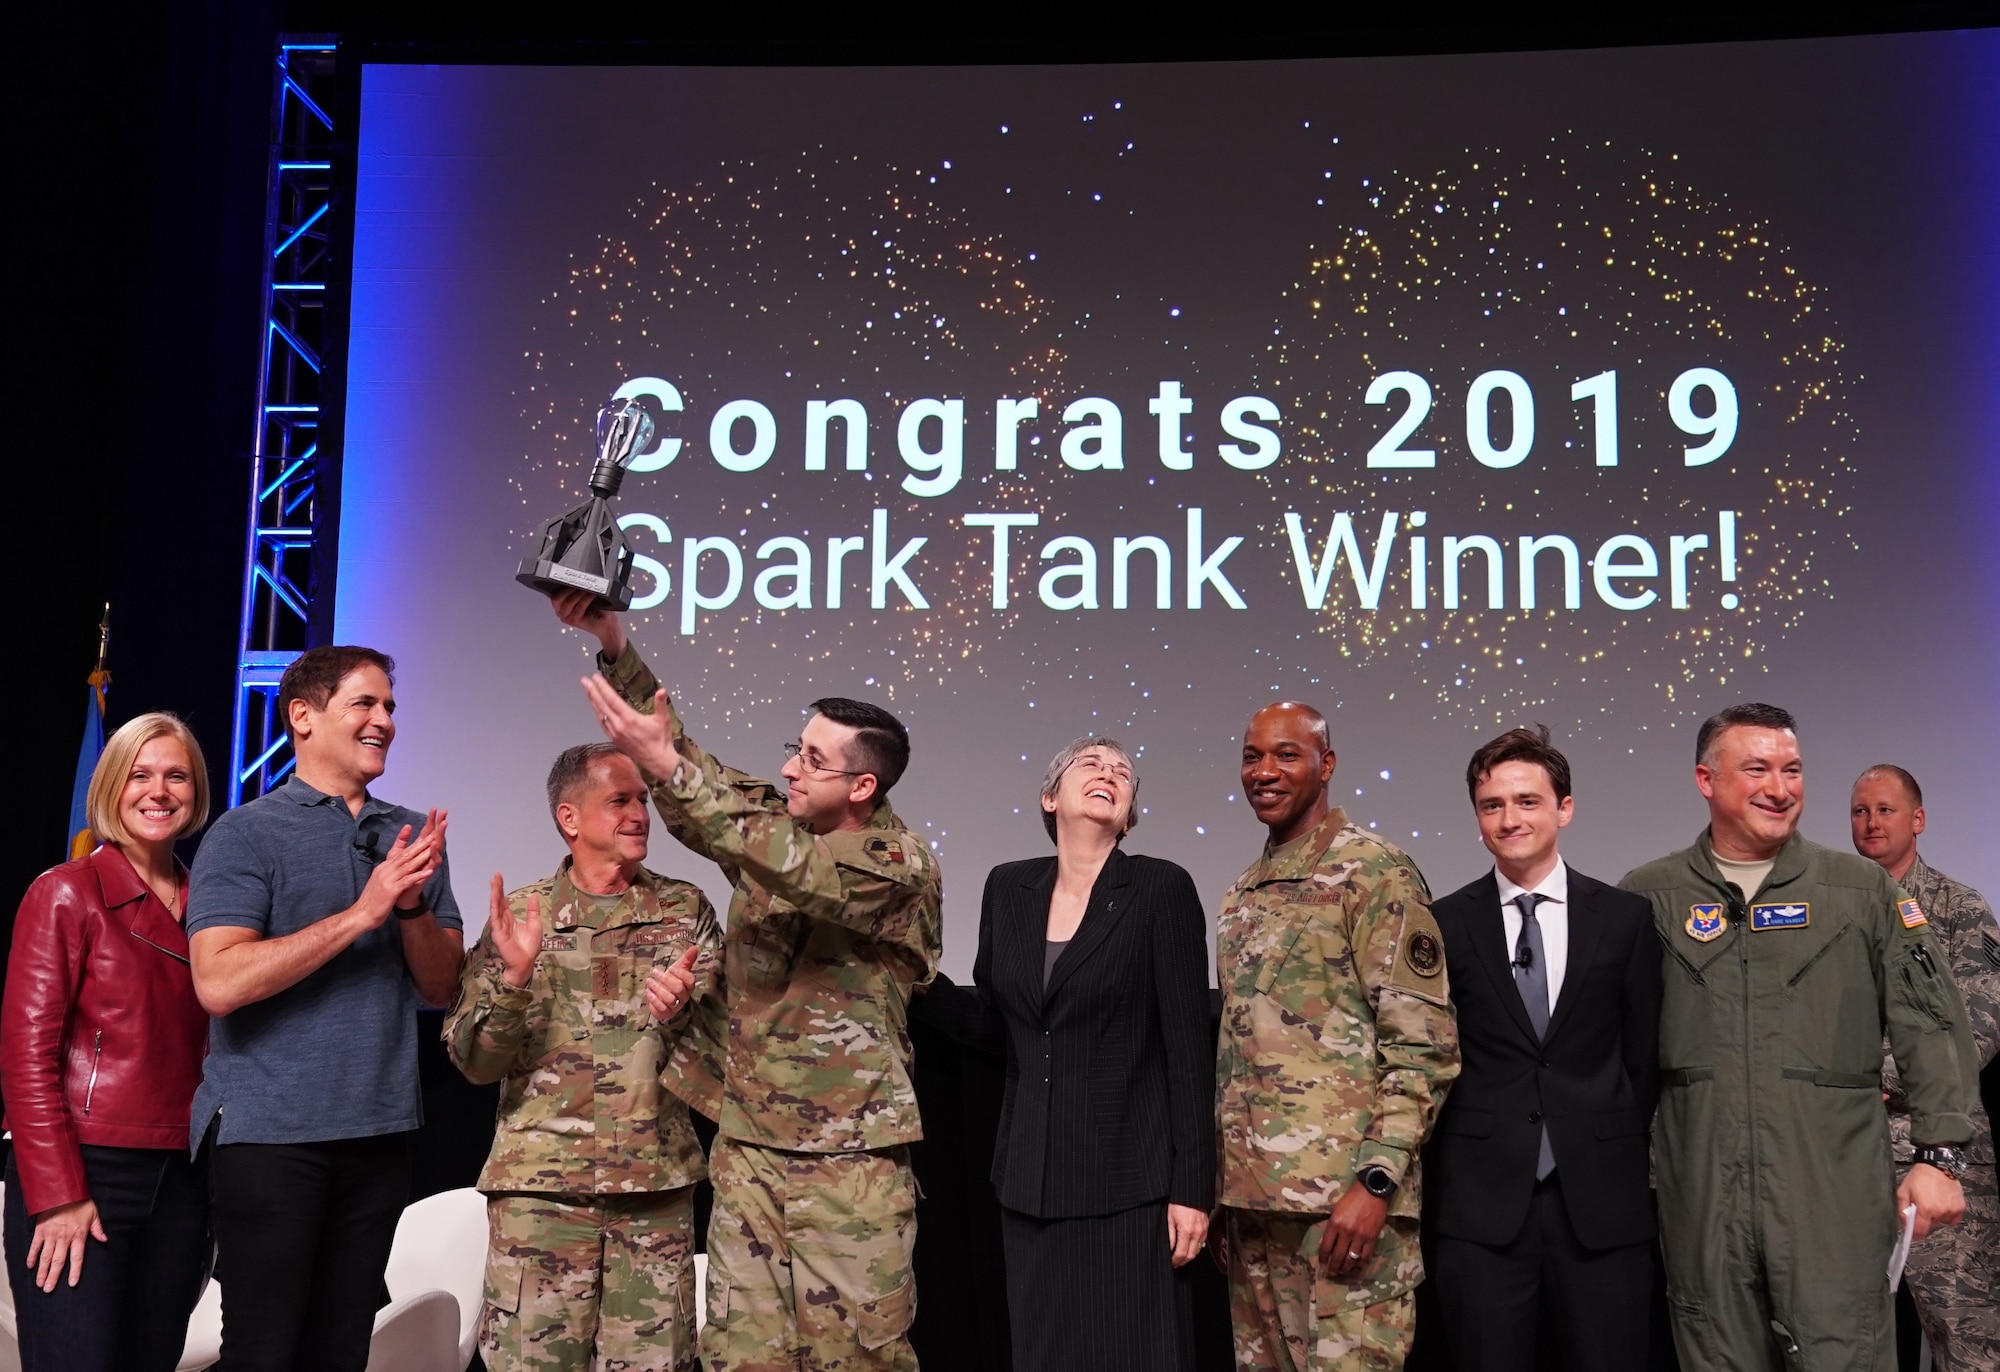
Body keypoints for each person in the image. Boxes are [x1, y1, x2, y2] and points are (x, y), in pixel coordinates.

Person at [556, 588, 943, 1372]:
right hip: (750, 1149)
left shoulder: (896, 864)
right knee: (741, 1357)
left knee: (852, 1359)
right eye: (795, 747)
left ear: (862, 787)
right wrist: (615, 643)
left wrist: (673, 769)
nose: (789, 767)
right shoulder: (778, 822)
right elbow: (697, 781)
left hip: (848, 1160)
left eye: (812, 759)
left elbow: (787, 862)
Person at [1619, 703, 1979, 1371]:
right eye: (1757, 768)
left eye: (1792, 770)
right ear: (1706, 779)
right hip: (1702, 1201)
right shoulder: (1650, 898)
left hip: (1832, 1200)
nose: (1780, 788)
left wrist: (1941, 1155)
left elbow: (1931, 1020)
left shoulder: (1860, 891)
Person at [186, 646, 465, 1372]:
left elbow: (441, 986)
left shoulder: (409, 835)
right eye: (365, 705)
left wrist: (406, 904)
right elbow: (218, 982)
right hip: (272, 1139)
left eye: (391, 708)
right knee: (263, 1353)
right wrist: (362, 912)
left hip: (379, 1132)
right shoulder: (247, 832)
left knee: (341, 1354)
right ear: (302, 717)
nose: (384, 721)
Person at [921, 736, 1214, 1370]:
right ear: (1050, 797)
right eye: (1092, 764)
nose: (1109, 773)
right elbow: (998, 1024)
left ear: (1130, 813)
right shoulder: (1009, 887)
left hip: (1131, 1187)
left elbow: (1189, 1050)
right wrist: (914, 981)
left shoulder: (1161, 888)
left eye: (1124, 773)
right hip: (1029, 1181)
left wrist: (1192, 1188)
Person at [445, 742, 721, 1372]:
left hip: (652, 1195)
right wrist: (511, 983)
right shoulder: (520, 916)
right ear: (569, 819)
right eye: (619, 800)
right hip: (541, 1200)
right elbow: (474, 1063)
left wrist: (687, 1012)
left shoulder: (685, 913)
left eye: (643, 801)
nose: (639, 815)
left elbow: (730, 1057)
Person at [1213, 702, 1459, 1372]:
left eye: (1286, 755)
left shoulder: (1376, 871)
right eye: (1252, 755)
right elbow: (1239, 1057)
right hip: (1256, 1214)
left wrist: (1377, 1181)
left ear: (1326, 765)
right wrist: (1229, 1195)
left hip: (1344, 1214)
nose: (1265, 772)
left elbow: (1422, 1047)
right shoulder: (1240, 896)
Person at [1425, 726, 1661, 1371]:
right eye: (1492, 805)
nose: (1509, 818)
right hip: (1481, 1205)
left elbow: (1642, 1058)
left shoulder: (1625, 918)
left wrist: (1599, 1132)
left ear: (1564, 808)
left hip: (1602, 1203)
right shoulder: (1442, 923)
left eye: (1527, 801)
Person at [0, 713, 214, 1372]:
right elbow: (25, 1059)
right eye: (140, 775)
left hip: (184, 1181)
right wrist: (60, 1193)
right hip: (87, 1172)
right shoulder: (65, 892)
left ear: (196, 791)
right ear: (112, 788)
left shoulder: (215, 905)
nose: (158, 790)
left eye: (176, 775)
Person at [1850, 764, 1999, 1372]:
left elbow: (1981, 1019)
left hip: (1936, 1145)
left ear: (1918, 820)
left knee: (1965, 1333)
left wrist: (1884, 1078)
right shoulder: (1834, 902)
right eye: (1859, 811)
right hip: (1846, 1146)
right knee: (1850, 1329)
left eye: (1885, 810)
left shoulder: (1959, 907)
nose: (1870, 822)